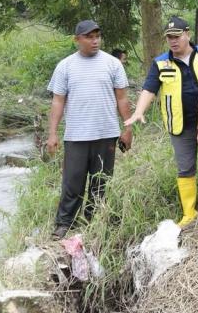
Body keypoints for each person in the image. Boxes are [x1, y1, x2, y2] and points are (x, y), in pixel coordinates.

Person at [46, 20, 133, 239]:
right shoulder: (65, 66)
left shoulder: (113, 64)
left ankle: (94, 221)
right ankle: (64, 223)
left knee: (101, 182)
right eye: (89, 37)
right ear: (77, 40)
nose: (95, 41)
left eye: (97, 36)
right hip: (76, 135)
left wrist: (127, 128)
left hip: (106, 134)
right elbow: (58, 101)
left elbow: (122, 99)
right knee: (72, 182)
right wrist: (53, 133)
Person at [124, 17, 198, 227]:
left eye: (177, 36)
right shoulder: (161, 62)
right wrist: (139, 111)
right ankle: (190, 213)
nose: (173, 41)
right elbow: (149, 88)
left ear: (188, 34)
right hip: (180, 124)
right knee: (185, 168)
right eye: (169, 37)